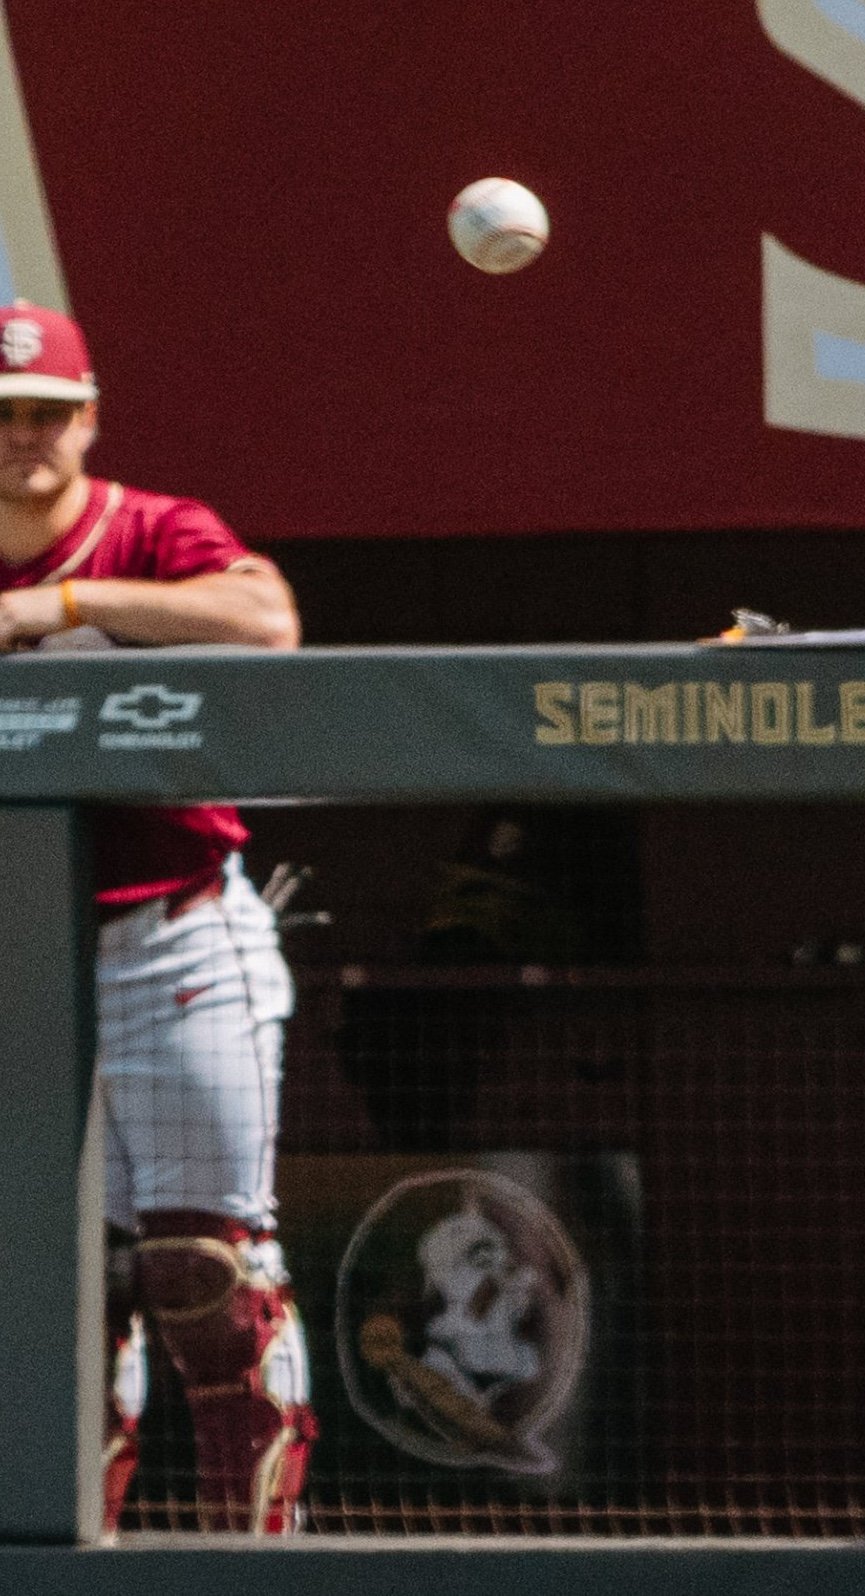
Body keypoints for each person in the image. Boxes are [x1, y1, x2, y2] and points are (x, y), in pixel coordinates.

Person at [0, 301, 312, 1533]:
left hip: (174, 939)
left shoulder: (152, 527)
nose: (25, 435)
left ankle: (256, 1562)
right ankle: (77, 1558)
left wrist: (63, 609)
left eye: (48, 414)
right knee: (55, 1294)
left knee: (208, 1277)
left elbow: (268, 623)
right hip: (20, 960)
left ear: (91, 417)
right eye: (3, 414)